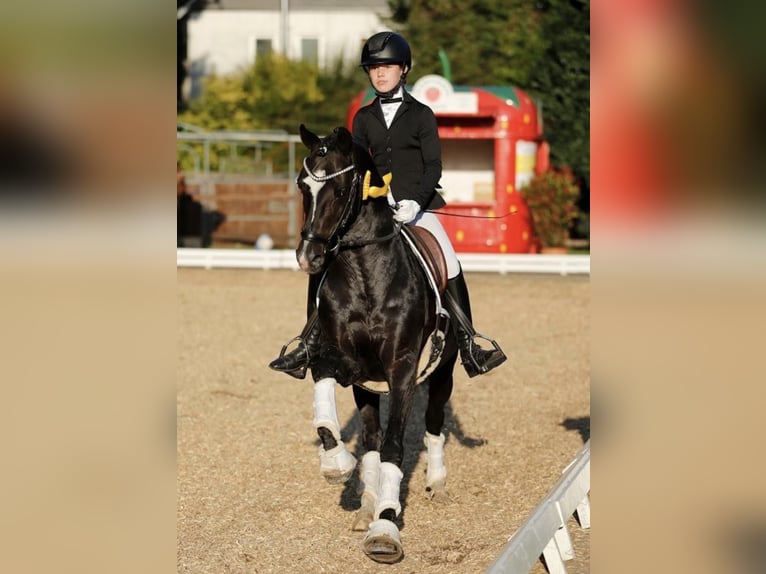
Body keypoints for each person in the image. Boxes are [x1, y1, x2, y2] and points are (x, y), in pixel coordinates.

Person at [269, 31, 506, 379]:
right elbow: (358, 164)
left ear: (403, 69)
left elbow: (433, 167)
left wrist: (415, 202)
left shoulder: (422, 114)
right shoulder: (363, 118)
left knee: (450, 261)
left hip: (418, 207)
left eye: (388, 67)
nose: (380, 74)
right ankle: (309, 342)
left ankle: (470, 342)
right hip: (374, 206)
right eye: (374, 68)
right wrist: (372, 195)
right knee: (327, 258)